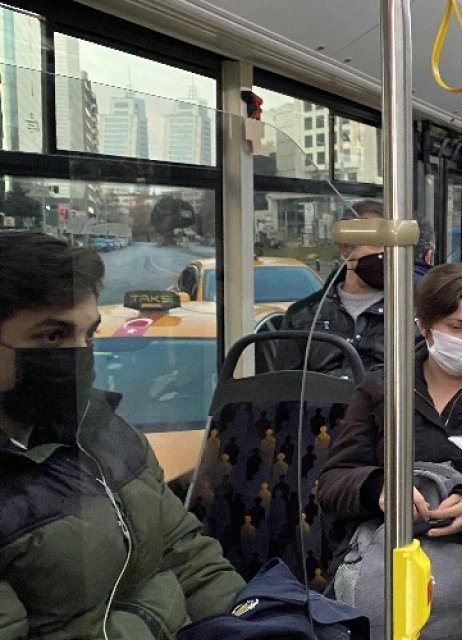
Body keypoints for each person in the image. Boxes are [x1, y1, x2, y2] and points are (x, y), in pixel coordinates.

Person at [0, 231, 244, 638]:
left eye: (89, 334)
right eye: (53, 336)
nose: (80, 353)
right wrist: (153, 611)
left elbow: (189, 557)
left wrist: (252, 623)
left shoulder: (103, 430)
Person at [316, 263, 462, 558]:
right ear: (424, 326)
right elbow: (332, 483)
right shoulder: (385, 389)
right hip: (392, 551)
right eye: (456, 327)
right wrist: (381, 488)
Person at [274, 200, 387, 376]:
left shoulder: (411, 317)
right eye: (375, 242)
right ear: (345, 247)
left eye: (391, 244)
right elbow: (285, 390)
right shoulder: (303, 316)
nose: (384, 252)